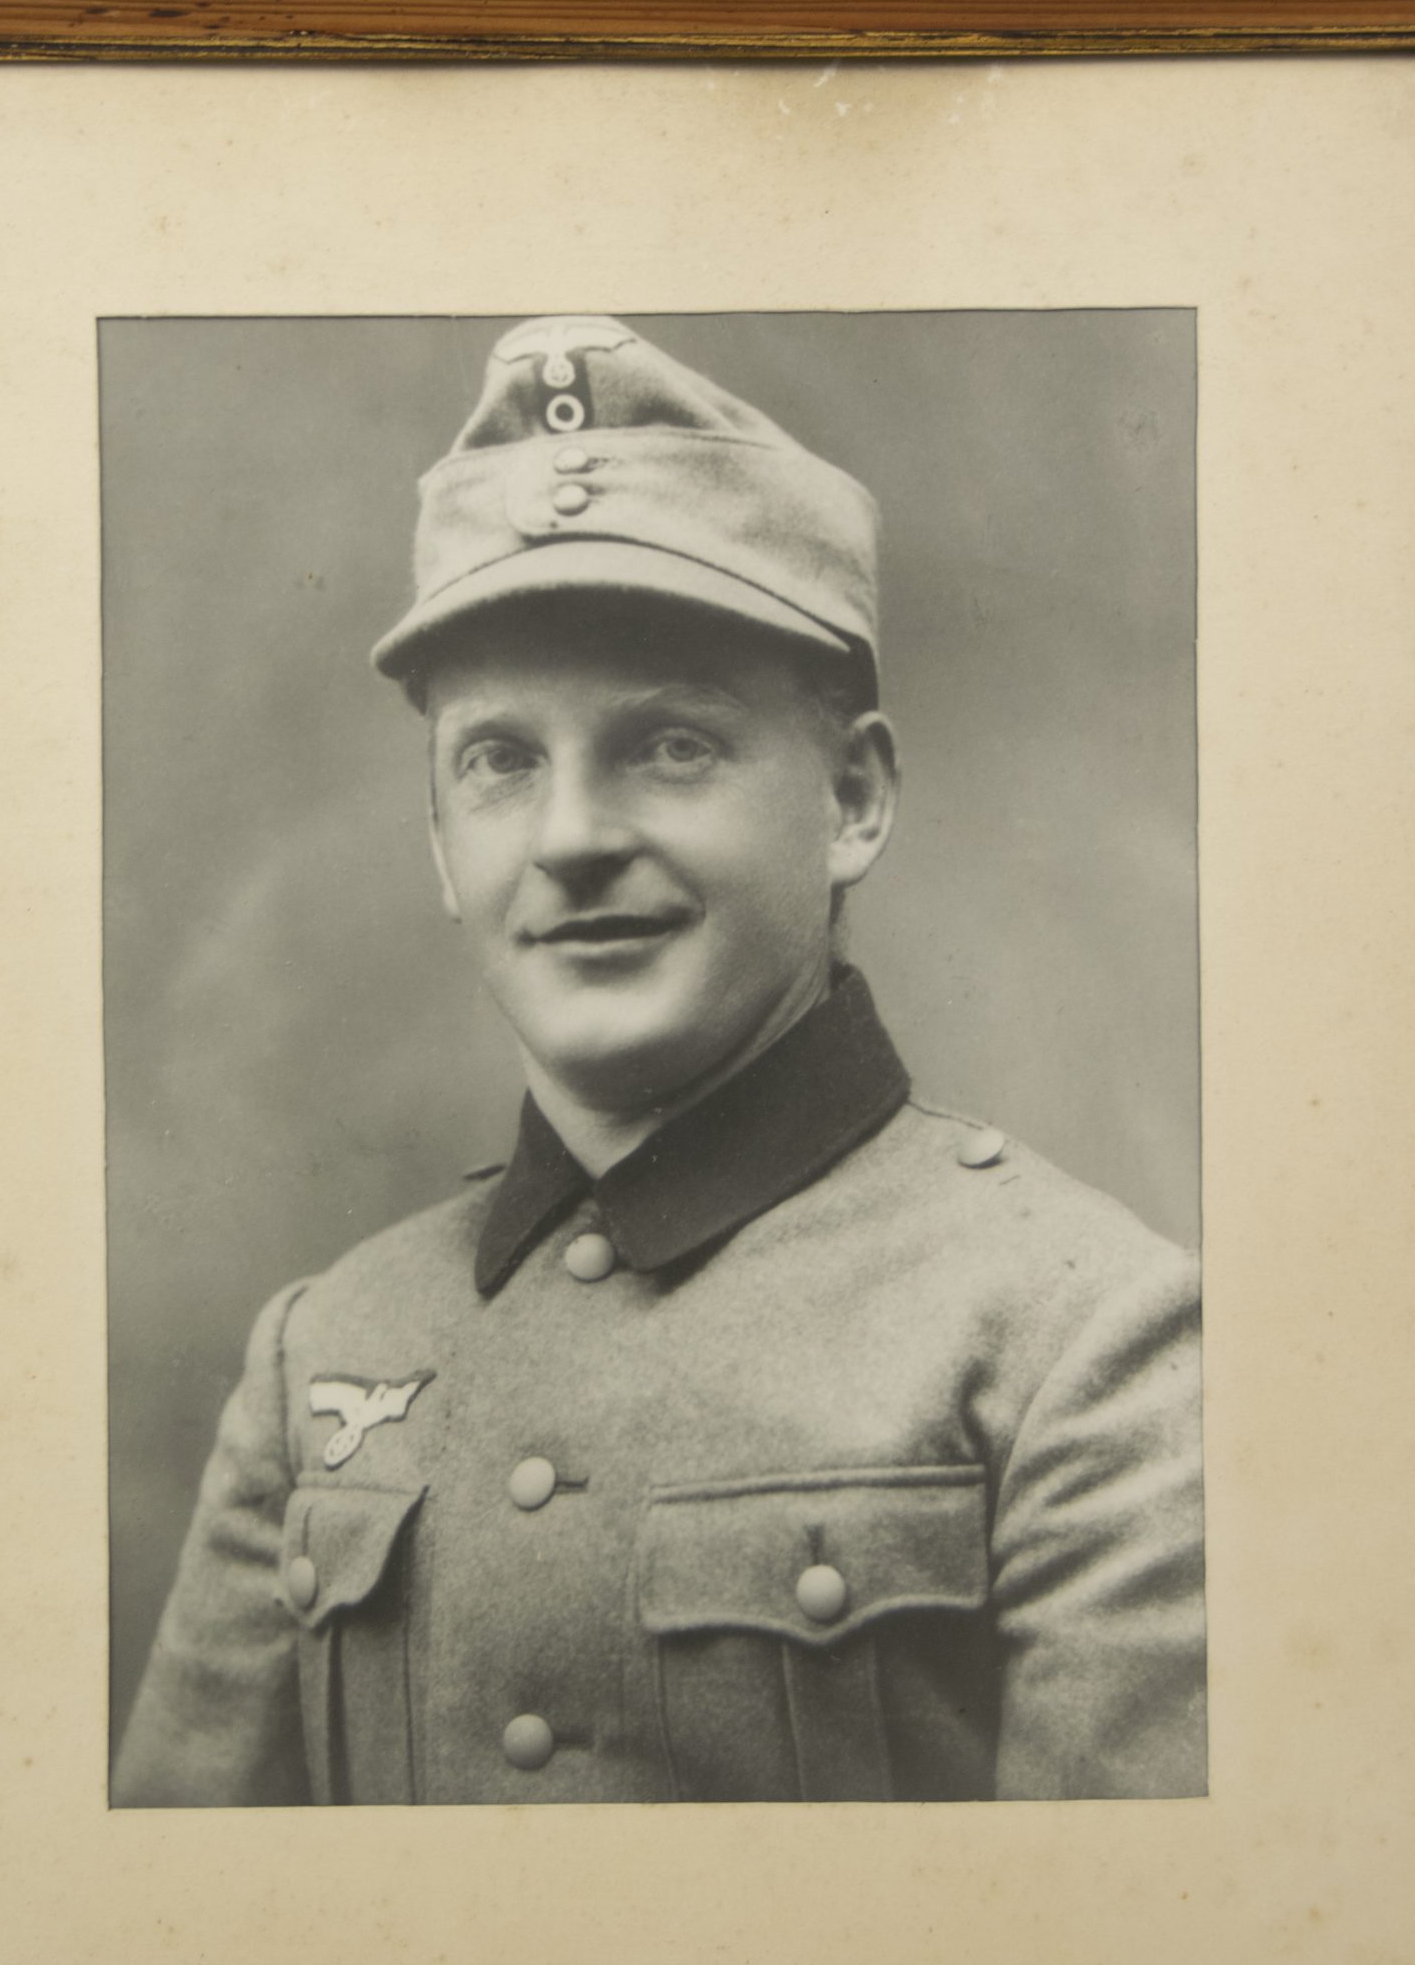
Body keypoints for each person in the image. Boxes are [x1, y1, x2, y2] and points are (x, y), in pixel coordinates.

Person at [113, 314, 1205, 1807]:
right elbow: (169, 1904)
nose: (569, 838)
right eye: (500, 761)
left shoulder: (1085, 1341)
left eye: (671, 745)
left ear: (853, 799)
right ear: (438, 842)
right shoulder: (324, 1346)